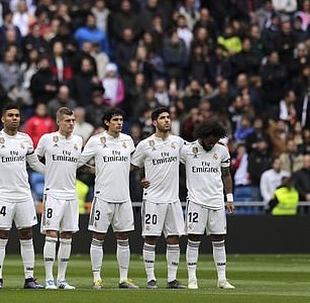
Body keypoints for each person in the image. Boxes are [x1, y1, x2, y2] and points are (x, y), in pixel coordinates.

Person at [0, 103, 46, 290]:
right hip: (4, 195)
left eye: (17, 115)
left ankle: (29, 278)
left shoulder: (26, 140)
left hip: (24, 194)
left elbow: (35, 164)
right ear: (3, 119)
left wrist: (55, 171)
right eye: (10, 115)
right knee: (1, 235)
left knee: (27, 234)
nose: (14, 118)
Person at [78, 107, 138, 289]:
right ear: (106, 122)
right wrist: (93, 170)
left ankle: (124, 278)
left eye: (121, 120)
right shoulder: (96, 141)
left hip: (123, 197)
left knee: (123, 237)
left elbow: (134, 163)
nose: (119, 123)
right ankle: (97, 277)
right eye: (115, 120)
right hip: (103, 196)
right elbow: (80, 161)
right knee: (98, 237)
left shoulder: (128, 140)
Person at [130, 107, 187, 289]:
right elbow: (132, 166)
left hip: (173, 200)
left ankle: (172, 279)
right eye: (162, 118)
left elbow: (195, 155)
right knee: (151, 238)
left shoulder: (178, 143)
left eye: (168, 117)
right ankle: (151, 278)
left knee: (173, 238)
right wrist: (141, 179)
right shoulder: (145, 145)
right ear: (154, 122)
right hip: (153, 199)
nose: (167, 120)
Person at [180, 120, 235, 290]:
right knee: (194, 239)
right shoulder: (187, 150)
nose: (212, 144)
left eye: (215, 140)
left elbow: (226, 175)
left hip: (217, 202)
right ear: (202, 137)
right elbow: (173, 167)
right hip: (196, 201)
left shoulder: (222, 151)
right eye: (210, 140)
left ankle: (222, 279)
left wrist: (230, 198)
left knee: (219, 239)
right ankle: (192, 278)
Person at [34, 107, 83, 290]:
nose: (71, 124)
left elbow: (80, 164)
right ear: (59, 122)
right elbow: (34, 159)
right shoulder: (47, 139)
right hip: (53, 193)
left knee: (67, 235)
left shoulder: (78, 140)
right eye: (67, 121)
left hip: (71, 194)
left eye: (73, 120)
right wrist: (46, 171)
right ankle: (48, 278)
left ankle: (62, 279)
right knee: (51, 233)